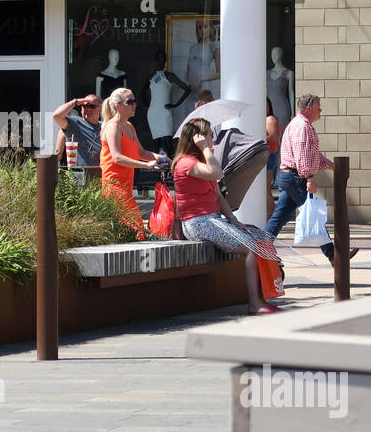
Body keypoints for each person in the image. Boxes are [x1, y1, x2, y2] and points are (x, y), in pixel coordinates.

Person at [173, 118, 279, 315]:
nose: (212, 139)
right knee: (250, 248)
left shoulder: (201, 162)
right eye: (209, 135)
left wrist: (232, 218)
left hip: (213, 219)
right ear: (197, 139)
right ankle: (255, 303)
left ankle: (266, 295)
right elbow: (217, 173)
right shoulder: (186, 163)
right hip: (198, 222)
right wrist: (206, 149)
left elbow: (219, 197)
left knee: (261, 238)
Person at [265, 94, 357, 264]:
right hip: (295, 176)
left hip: (290, 175)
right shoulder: (302, 126)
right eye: (318, 107)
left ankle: (261, 248)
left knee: (279, 217)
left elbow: (312, 154)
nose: (320, 110)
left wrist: (333, 166)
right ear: (308, 108)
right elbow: (302, 155)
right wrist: (309, 178)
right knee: (313, 215)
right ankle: (334, 256)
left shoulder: (301, 124)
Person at [100, 87, 165, 240]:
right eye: (130, 102)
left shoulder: (129, 126)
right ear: (118, 106)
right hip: (113, 188)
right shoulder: (112, 127)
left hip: (126, 188)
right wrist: (146, 165)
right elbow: (117, 157)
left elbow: (141, 153)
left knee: (132, 233)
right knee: (135, 231)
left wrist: (160, 157)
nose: (134, 105)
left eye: (134, 101)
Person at [51, 93, 103, 166]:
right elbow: (56, 115)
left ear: (100, 110)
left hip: (100, 174)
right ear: (81, 109)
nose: (87, 109)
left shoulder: (105, 127)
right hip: (78, 174)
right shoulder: (75, 123)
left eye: (91, 106)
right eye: (84, 106)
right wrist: (76, 102)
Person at [265, 98, 281, 215]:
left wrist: (257, 138)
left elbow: (273, 137)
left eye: (265, 105)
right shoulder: (265, 119)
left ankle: (268, 219)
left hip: (268, 155)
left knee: (266, 190)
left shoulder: (270, 119)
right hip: (266, 154)